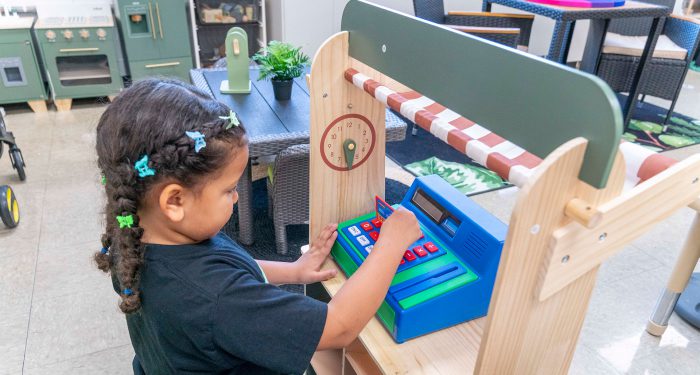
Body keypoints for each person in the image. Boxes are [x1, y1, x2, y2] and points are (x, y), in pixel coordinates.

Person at [93, 79, 422, 374]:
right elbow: (339, 326)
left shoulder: (131, 236)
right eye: (228, 189)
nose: (236, 198)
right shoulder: (218, 299)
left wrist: (293, 271)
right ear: (175, 202)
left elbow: (226, 265)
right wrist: (391, 244)